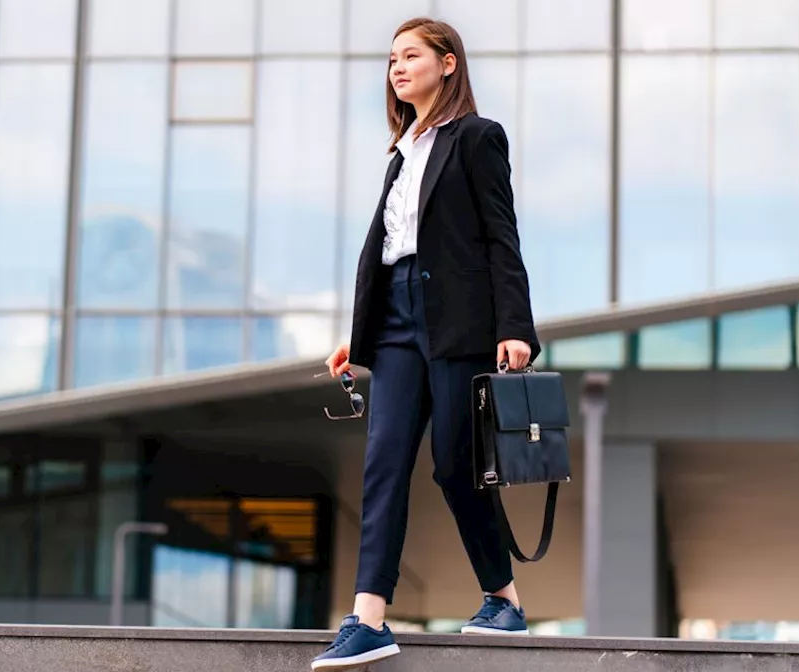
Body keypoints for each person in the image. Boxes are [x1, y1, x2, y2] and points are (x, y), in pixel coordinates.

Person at [310, 16, 542, 671]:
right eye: (391, 60)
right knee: (383, 461)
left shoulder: (476, 138)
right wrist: (357, 336)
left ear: (447, 64)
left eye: (410, 55)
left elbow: (502, 238)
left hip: (458, 320)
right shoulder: (402, 151)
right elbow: (388, 251)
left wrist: (515, 327)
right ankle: (369, 618)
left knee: (453, 464)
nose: (397, 68)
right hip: (395, 323)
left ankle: (503, 599)